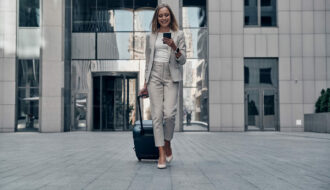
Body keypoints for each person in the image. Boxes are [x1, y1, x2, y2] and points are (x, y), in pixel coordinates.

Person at [139, 3, 186, 169]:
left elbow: (183, 60)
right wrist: (145, 83)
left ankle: (167, 142)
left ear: (170, 16)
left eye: (166, 15)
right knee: (157, 116)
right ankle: (161, 154)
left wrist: (175, 47)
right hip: (154, 76)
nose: (164, 18)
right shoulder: (150, 36)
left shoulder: (179, 34)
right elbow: (147, 62)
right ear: (157, 18)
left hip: (171, 74)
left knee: (170, 114)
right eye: (161, 15)